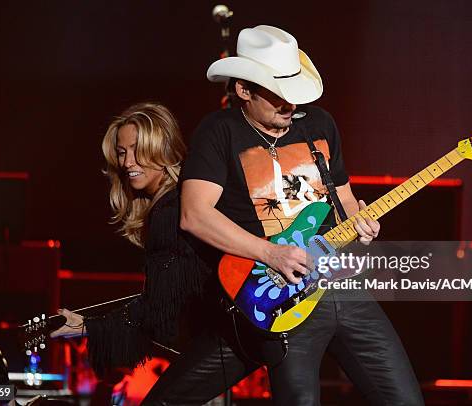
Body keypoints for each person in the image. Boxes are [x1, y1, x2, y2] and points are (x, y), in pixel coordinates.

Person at [172, 25, 424, 405]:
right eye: (278, 95)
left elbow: (344, 202)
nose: (290, 105)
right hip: (283, 295)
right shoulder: (219, 132)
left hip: (344, 285)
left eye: (293, 92)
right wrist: (270, 253)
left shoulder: (319, 124)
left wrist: (362, 224)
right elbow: (194, 215)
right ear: (244, 90)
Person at [50, 102, 211, 377]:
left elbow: (160, 313)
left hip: (213, 348)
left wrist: (89, 327)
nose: (126, 163)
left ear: (162, 148)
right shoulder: (177, 201)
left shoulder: (169, 211)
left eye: (137, 151)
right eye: (122, 153)